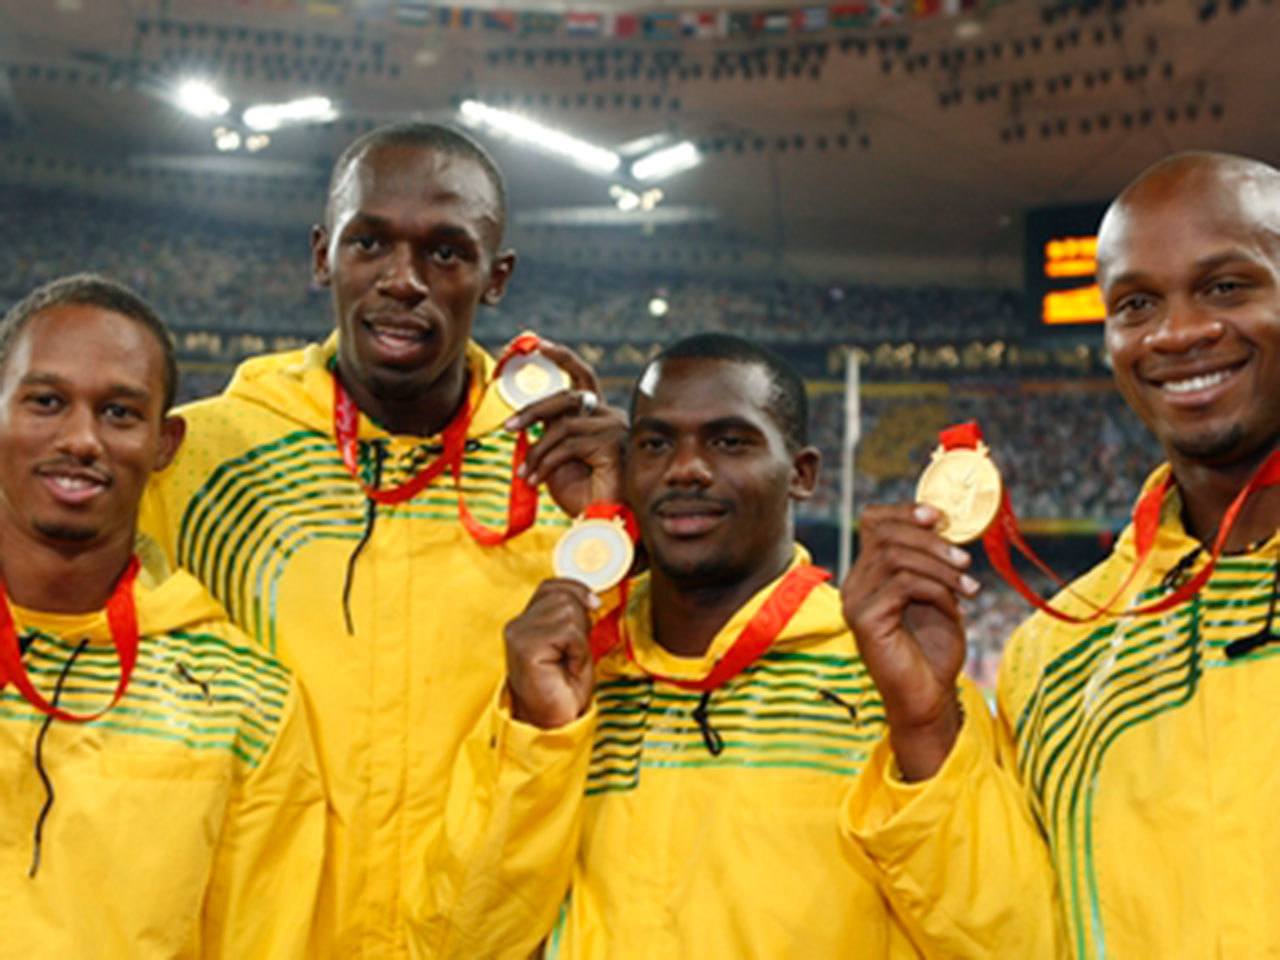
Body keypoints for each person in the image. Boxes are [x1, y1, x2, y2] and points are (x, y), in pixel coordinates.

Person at [139, 122, 619, 957]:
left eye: (446, 252)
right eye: (370, 243)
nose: (404, 281)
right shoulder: (197, 460)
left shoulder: (559, 479)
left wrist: (625, 522)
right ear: (323, 255)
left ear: (495, 277)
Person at [841, 150, 1280, 959]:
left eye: (1227, 286)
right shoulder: (1059, 651)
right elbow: (1021, 942)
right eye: (1136, 303)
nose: (1179, 332)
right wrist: (926, 725)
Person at [500, 334, 1049, 958]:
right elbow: (468, 937)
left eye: (730, 441)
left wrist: (922, 726)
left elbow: (1017, 944)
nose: (686, 467)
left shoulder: (888, 681)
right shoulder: (569, 676)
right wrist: (537, 738)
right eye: (655, 443)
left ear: (802, 474)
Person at [0, 274, 324, 958]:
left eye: (120, 413)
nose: (81, 438)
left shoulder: (248, 700)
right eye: (47, 402)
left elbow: (259, 941)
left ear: (165, 444)